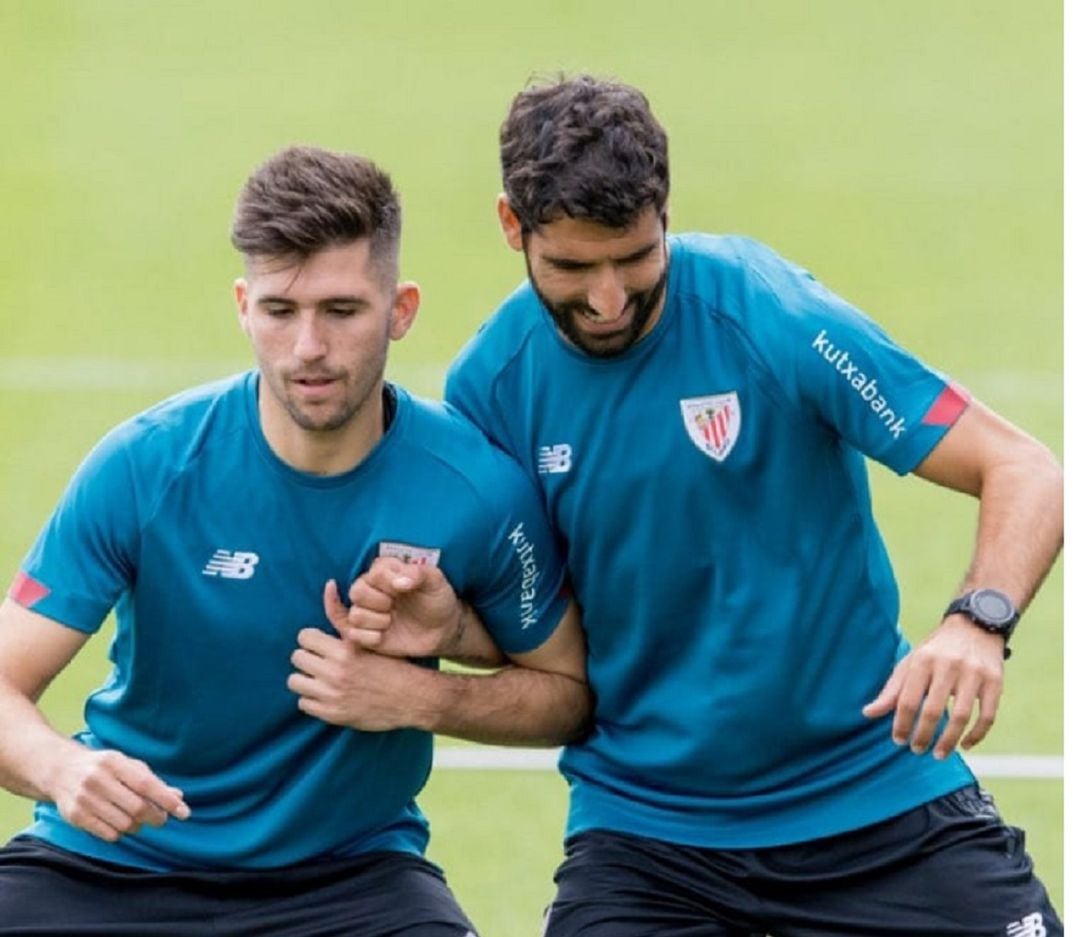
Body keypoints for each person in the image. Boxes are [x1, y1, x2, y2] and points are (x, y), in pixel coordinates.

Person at [431, 75, 1062, 936]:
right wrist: (441, 626)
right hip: (650, 838)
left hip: (873, 795)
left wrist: (975, 623)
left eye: (635, 257)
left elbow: (1025, 468)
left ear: (665, 211)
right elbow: (531, 630)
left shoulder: (771, 314)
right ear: (513, 225)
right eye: (573, 267)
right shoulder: (491, 391)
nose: (609, 299)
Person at [0, 145, 590, 937]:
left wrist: (420, 694)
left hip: (349, 880)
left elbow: (568, 691)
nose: (308, 347)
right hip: (113, 863)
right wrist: (61, 767)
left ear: (402, 309)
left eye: (341, 310)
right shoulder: (144, 466)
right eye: (280, 310)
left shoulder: (477, 488)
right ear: (244, 305)